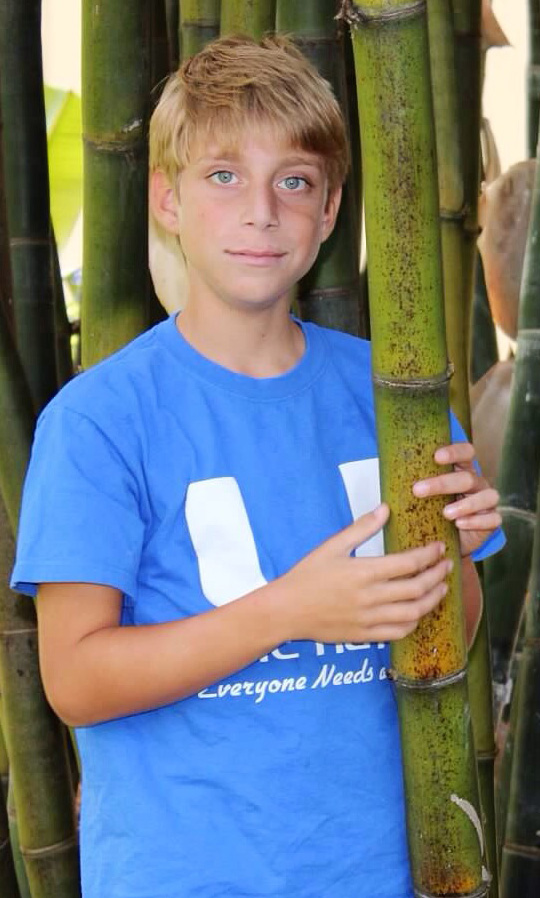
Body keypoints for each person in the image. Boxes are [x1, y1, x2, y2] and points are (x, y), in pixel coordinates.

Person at [11, 35, 503, 898]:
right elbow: (75, 681)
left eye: (296, 181)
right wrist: (288, 610)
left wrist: (454, 550)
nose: (263, 211)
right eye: (224, 176)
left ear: (331, 206)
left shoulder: (393, 391)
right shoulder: (98, 422)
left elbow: (449, 634)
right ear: (166, 198)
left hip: (380, 870)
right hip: (187, 876)